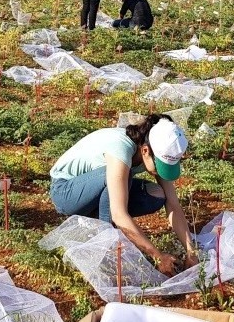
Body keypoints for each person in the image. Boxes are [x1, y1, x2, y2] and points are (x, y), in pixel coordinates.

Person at [49, 114, 198, 275]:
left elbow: (173, 203)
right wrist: (158, 256)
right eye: (160, 165)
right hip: (66, 193)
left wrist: (191, 251)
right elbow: (119, 214)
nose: (161, 171)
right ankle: (103, 243)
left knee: (157, 194)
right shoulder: (120, 148)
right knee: (122, 176)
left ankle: (97, 219)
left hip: (96, 188)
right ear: (145, 150)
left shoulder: (152, 146)